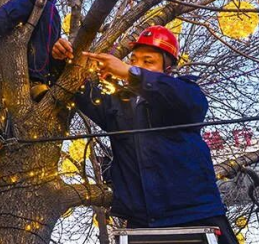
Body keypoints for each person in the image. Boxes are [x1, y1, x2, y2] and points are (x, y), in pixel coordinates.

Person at [51, 26, 238, 244]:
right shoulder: (117, 105)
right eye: (134, 60)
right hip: (143, 222)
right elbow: (81, 90)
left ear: (167, 68)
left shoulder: (186, 92)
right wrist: (63, 59)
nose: (137, 65)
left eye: (148, 61)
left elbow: (184, 99)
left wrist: (130, 74)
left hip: (196, 214)